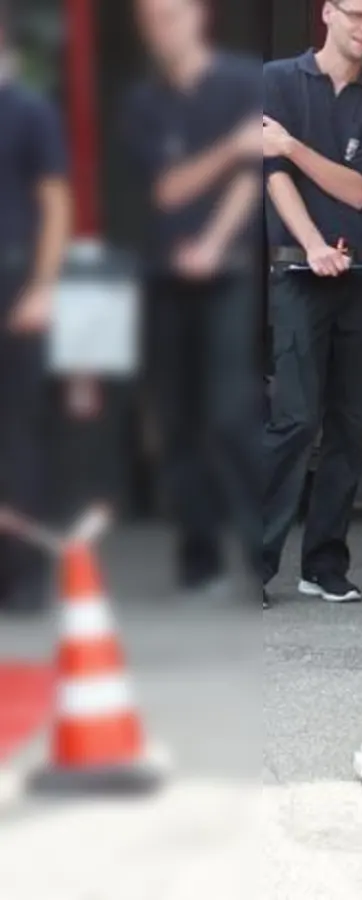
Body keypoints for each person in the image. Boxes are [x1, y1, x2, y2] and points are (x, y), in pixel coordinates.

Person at [261, 0, 362, 610]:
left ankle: (323, 564)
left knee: (350, 424)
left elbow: (358, 187)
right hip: (298, 271)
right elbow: (270, 174)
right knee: (294, 419)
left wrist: (292, 145)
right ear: (328, 13)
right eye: (356, 15)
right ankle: (254, 564)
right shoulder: (276, 80)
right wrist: (314, 244)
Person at [124, 0, 262, 600]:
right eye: (153, 19)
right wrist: (230, 147)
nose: (164, 28)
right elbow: (167, 186)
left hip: (227, 273)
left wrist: (210, 243)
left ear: (198, 17)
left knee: (230, 414)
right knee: (177, 421)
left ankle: (257, 558)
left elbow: (251, 177)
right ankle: (198, 561)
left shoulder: (239, 82)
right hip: (163, 278)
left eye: (173, 15)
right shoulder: (146, 101)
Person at [0, 0, 70, 615]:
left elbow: (55, 203)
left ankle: (21, 578)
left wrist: (45, 286)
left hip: (14, 283)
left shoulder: (27, 109)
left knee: (18, 435)